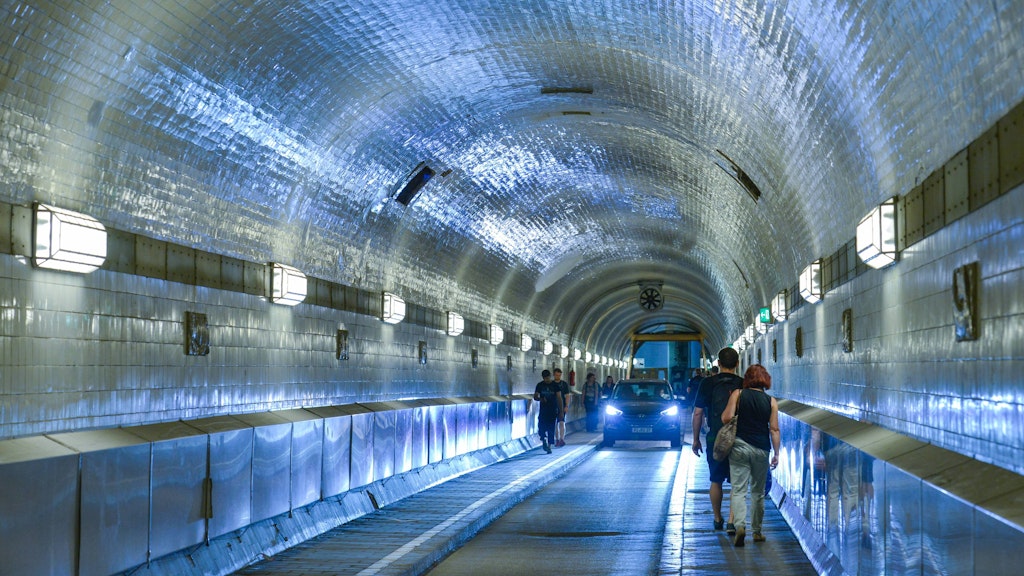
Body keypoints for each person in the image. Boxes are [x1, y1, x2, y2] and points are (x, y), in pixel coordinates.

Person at [721, 364, 780, 547]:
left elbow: (726, 418)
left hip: (739, 446)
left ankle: (739, 526)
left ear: (747, 379)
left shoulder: (738, 394)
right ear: (766, 380)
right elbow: (774, 429)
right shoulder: (771, 401)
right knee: (757, 492)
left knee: (738, 489)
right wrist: (776, 453)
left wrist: (740, 418)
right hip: (761, 449)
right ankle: (757, 531)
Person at [691, 347, 743, 533]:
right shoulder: (743, 384)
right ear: (737, 364)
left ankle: (717, 518)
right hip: (739, 438)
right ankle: (731, 521)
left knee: (716, 480)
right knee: (737, 482)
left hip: (715, 438)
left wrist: (696, 439)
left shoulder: (707, 384)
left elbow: (697, 413)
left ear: (719, 364)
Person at [533, 370, 563, 453]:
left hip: (553, 410)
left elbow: (559, 398)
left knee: (551, 429)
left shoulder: (555, 385)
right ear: (543, 378)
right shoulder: (540, 385)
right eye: (545, 378)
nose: (547, 379)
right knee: (541, 428)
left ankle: (549, 446)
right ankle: (543, 439)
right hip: (543, 411)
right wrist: (540, 399)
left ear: (550, 376)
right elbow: (535, 396)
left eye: (548, 377)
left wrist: (561, 411)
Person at [552, 368, 571, 447]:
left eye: (559, 375)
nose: (558, 377)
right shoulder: (551, 384)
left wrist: (566, 405)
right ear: (554, 375)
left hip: (561, 406)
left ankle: (562, 439)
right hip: (553, 406)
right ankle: (557, 439)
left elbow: (567, 396)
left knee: (562, 422)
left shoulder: (564, 384)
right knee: (554, 424)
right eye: (556, 375)